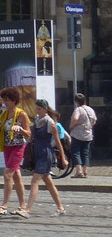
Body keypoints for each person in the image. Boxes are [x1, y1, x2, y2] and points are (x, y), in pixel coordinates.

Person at [24, 99, 67, 216]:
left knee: (34, 181)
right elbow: (31, 137)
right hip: (37, 153)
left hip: (45, 154)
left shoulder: (50, 123)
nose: (37, 111)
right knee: (48, 182)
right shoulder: (37, 120)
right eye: (36, 108)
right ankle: (61, 208)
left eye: (39, 109)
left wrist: (62, 158)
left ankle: (27, 209)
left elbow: (58, 142)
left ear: (45, 109)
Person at [0, 87, 30, 217]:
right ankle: (22, 205)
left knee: (7, 174)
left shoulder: (21, 114)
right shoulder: (4, 114)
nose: (5, 102)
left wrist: (20, 129)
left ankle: (4, 205)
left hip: (18, 147)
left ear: (14, 100)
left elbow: (29, 134)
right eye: (4, 100)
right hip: (7, 147)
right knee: (16, 176)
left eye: (7, 100)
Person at [67, 92, 97, 178]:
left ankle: (79, 171)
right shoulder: (90, 109)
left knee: (76, 152)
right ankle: (85, 171)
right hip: (88, 134)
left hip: (77, 134)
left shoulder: (78, 109)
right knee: (85, 153)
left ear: (76, 101)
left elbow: (76, 118)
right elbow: (94, 121)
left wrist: (71, 126)